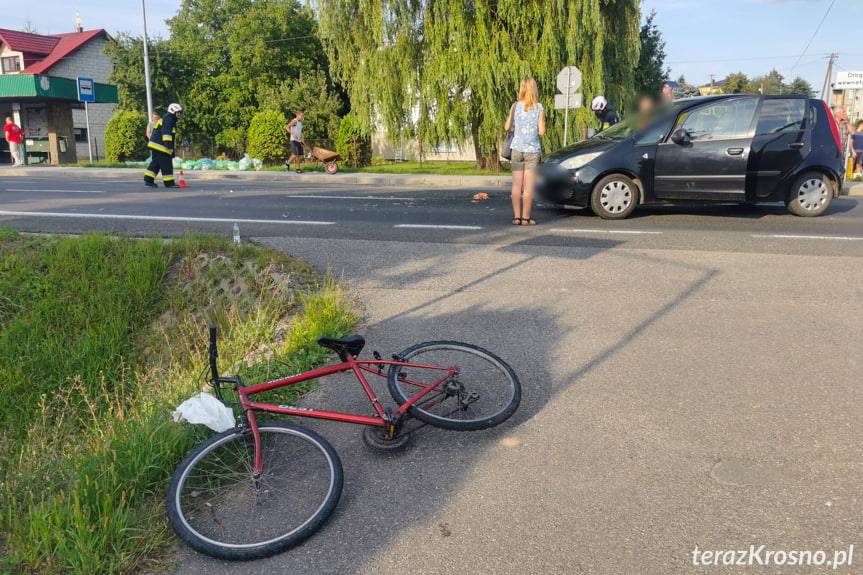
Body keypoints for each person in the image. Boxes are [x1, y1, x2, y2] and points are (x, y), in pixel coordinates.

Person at [504, 77, 546, 226]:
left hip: (516, 150)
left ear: (521, 88)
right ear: (534, 89)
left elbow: (507, 126)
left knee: (516, 186)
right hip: (532, 151)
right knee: (528, 188)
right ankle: (526, 218)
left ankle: (516, 217)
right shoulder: (539, 107)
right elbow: (541, 132)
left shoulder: (515, 106)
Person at [144, 103, 183, 188]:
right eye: (178, 112)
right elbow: (166, 134)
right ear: (173, 111)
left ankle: (148, 180)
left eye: (180, 112)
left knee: (156, 163)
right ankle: (169, 183)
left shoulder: (168, 118)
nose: (179, 114)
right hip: (161, 146)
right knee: (167, 164)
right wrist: (169, 147)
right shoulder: (169, 119)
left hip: (156, 145)